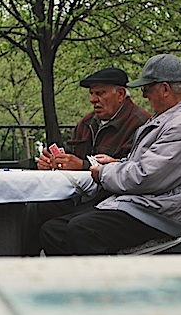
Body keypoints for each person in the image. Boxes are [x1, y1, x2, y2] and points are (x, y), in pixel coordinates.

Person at [39, 53, 181, 255]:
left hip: (159, 213)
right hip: (144, 204)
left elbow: (147, 176)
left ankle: (104, 285)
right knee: (53, 229)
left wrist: (105, 172)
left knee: (82, 229)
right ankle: (76, 285)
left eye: (146, 88)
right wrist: (116, 163)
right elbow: (151, 167)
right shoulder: (172, 118)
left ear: (165, 89)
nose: (144, 96)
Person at [21, 67, 151, 256]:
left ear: (121, 94)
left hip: (110, 199)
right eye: (91, 93)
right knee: (34, 208)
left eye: (100, 93)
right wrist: (53, 162)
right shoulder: (88, 122)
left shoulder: (140, 123)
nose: (93, 99)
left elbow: (128, 168)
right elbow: (71, 155)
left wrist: (81, 165)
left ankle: (63, 277)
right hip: (80, 194)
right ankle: (24, 268)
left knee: (53, 228)